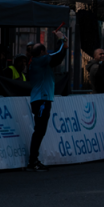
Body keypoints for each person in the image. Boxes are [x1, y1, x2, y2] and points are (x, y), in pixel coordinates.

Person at [24, 30, 68, 172]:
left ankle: (34, 160)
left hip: (41, 99)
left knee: (40, 130)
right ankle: (33, 161)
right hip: (41, 100)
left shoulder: (37, 61)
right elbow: (57, 54)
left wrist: (62, 44)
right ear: (42, 52)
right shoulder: (41, 60)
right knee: (39, 130)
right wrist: (61, 40)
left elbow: (58, 57)